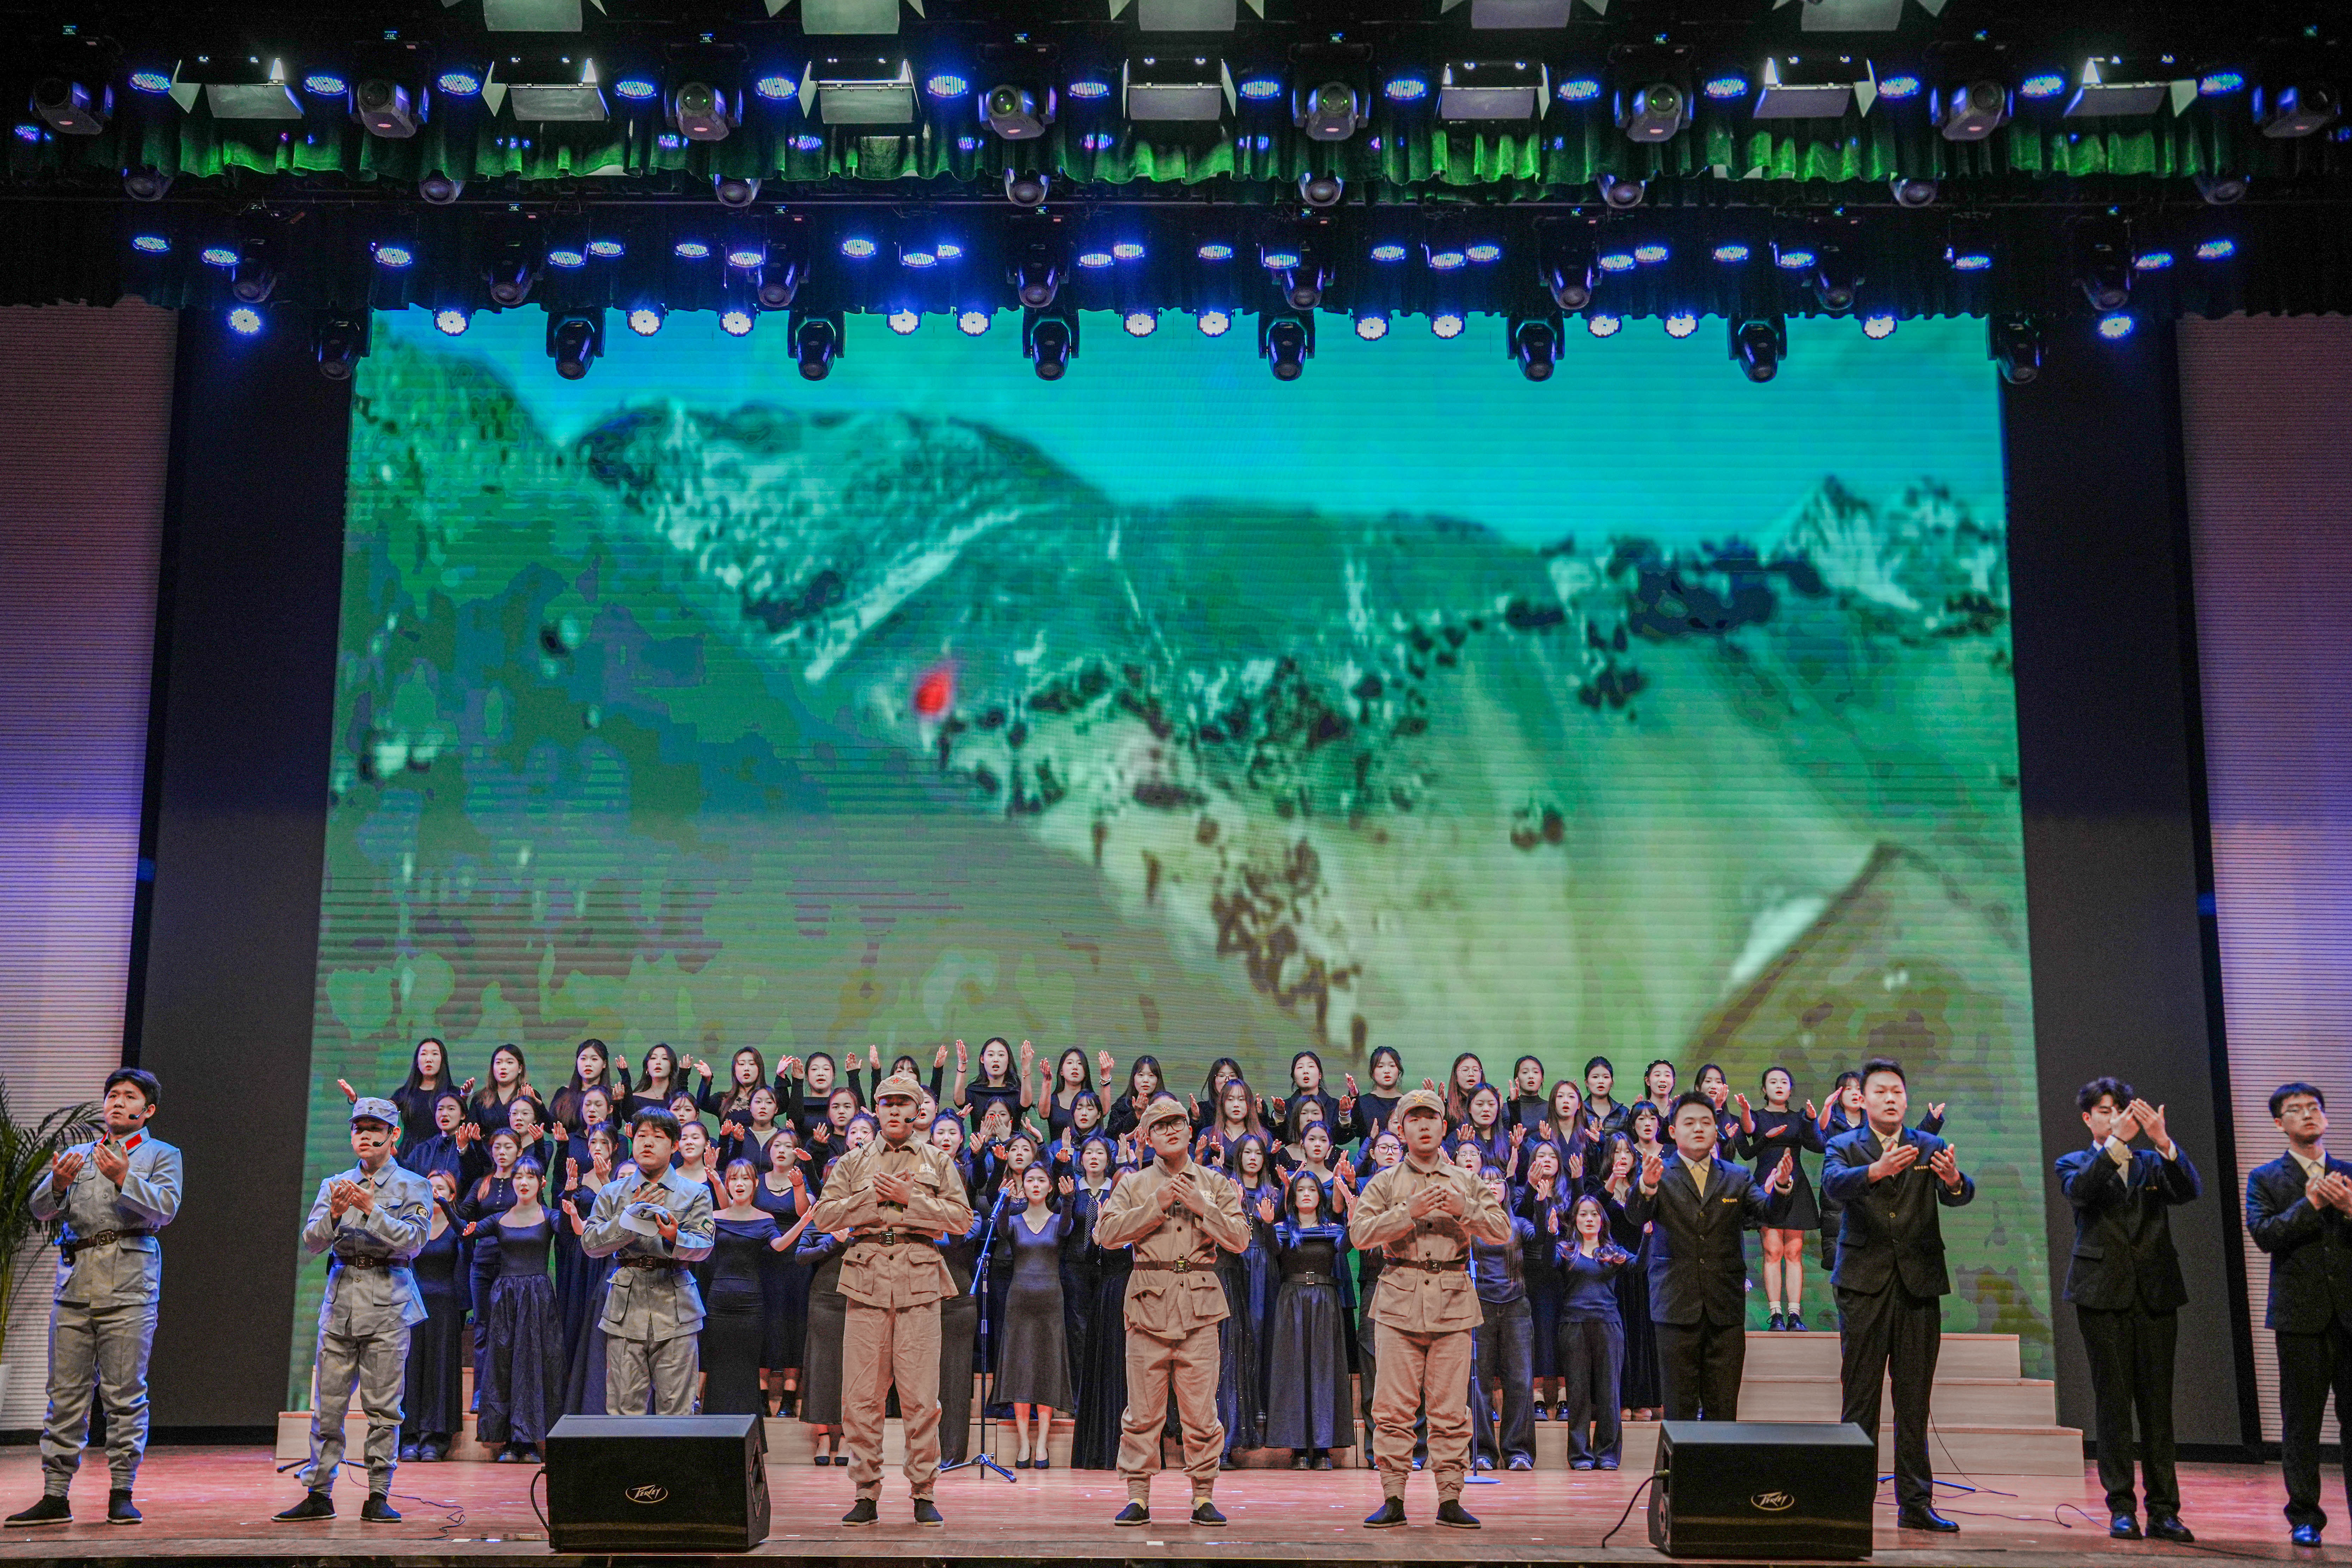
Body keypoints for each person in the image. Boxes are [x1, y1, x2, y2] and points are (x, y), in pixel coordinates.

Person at [6, 1070, 182, 1529]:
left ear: (148, 1110)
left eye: (130, 1096)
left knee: (124, 1395)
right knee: (65, 1395)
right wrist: (57, 1185)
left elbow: (166, 1209)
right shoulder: (80, 1155)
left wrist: (125, 1177)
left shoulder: (162, 1154)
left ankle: (122, 1491)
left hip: (129, 1285)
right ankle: (55, 1494)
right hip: (75, 1285)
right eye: (112, 1095)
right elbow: (39, 1209)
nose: (118, 1102)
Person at [806, 1069, 974, 1527]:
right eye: (888, 1103)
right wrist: (870, 1200)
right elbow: (824, 1216)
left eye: (905, 1103)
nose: (896, 1110)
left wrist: (909, 1199)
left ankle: (923, 1491)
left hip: (919, 1281)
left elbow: (961, 1220)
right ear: (876, 1110)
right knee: (861, 1398)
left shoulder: (937, 1161)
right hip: (866, 1281)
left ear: (918, 1111)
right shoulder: (853, 1162)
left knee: (922, 1399)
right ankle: (866, 1491)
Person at [1348, 1088, 1512, 1531]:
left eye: (1431, 1118)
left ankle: (1450, 1498)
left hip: (1453, 1301)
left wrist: (1464, 1208)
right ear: (1401, 1129)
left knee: (1450, 1411)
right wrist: (1407, 1211)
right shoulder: (1384, 1182)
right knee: (1392, 1410)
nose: (1423, 1126)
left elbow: (1501, 1230)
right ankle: (1393, 1496)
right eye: (1414, 1119)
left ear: (1444, 1127)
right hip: (1398, 1300)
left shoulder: (1464, 1180)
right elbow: (1359, 1234)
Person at [1821, 1056, 1972, 1533]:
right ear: (1862, 1100)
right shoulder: (1843, 1145)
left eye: (1897, 1092)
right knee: (1860, 1398)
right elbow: (1832, 1186)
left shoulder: (1929, 1144)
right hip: (1862, 1285)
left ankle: (1916, 1503)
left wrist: (1953, 1182)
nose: (1890, 1099)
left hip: (1918, 1285)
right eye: (1880, 1091)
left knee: (1913, 1400)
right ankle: (1851, 1503)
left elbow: (1960, 1193)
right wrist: (1876, 1169)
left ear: (1906, 1100)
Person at [1095, 1093, 1251, 1527]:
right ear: (1147, 1137)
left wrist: (1203, 1208)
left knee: (1201, 1413)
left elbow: (1240, 1239)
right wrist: (1155, 1205)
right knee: (1142, 1413)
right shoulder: (1133, 1184)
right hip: (1148, 1303)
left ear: (1189, 1129)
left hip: (1199, 1305)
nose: (1170, 1131)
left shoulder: (1214, 1183)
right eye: (1159, 1126)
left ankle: (1203, 1496)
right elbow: (1106, 1235)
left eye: (1177, 1123)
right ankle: (1138, 1497)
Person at [275, 1098, 433, 1524]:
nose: (364, 1135)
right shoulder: (335, 1184)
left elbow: (414, 1241)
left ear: (393, 1135)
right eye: (358, 1128)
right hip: (341, 1301)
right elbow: (312, 1241)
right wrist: (335, 1214)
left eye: (374, 1128)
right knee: (327, 1408)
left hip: (389, 1302)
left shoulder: (414, 1185)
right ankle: (319, 1493)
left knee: (384, 1409)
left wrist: (370, 1209)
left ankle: (378, 1493)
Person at [2055, 1078, 2198, 1543]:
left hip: (2155, 1293)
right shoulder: (2073, 1162)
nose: (2114, 1116)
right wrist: (2116, 1142)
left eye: (2121, 1109)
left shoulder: (2152, 1162)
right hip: (2100, 1294)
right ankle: (2121, 1507)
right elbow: (2082, 1191)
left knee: (2157, 1405)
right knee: (2112, 1403)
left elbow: (2188, 1191)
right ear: (2087, 1118)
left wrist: (2162, 1140)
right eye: (2104, 1110)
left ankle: (2164, 1510)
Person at [1625, 1093, 1794, 1424]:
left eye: (1706, 1122)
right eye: (1689, 1122)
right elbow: (1635, 1216)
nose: (1699, 1128)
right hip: (1675, 1306)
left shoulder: (1737, 1176)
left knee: (1723, 1410)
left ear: (1717, 1130)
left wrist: (1783, 1186)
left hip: (1725, 1308)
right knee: (1679, 1411)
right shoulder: (1659, 1173)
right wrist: (1646, 1185)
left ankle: (1722, 1463)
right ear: (1672, 1131)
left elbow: (1768, 1213)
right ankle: (1678, 1463)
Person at [2246, 1081, 2352, 1546]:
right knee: (2301, 1423)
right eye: (2295, 1109)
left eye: (2314, 1107)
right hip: (2299, 1318)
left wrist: (2348, 1207)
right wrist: (2310, 1203)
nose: (2307, 1114)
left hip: (2349, 1315)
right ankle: (2305, 1516)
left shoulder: (2349, 1173)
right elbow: (2265, 1235)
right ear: (2279, 1123)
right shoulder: (2265, 1178)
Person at [580, 1109, 716, 1416]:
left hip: (676, 1306)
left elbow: (704, 1246)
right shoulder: (613, 1193)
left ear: (675, 1145)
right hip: (625, 1307)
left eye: (657, 1136)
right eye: (642, 1135)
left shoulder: (695, 1193)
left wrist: (674, 1237)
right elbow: (590, 1244)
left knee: (678, 1410)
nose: (648, 1143)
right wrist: (627, 1219)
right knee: (624, 1407)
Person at [1263, 1171, 1353, 1469]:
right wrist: (1267, 1224)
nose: (1306, 1194)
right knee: (1294, 1372)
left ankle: (1324, 1448)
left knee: (1324, 1371)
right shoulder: (1282, 1229)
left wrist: (1353, 1218)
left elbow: (1346, 1247)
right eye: (1300, 1189)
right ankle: (1299, 1448)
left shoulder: (1332, 1228)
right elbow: (1273, 1250)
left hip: (1325, 1301)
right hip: (1292, 1300)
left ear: (1320, 1196)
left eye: (1312, 1189)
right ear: (1293, 1196)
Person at [477, 1158, 564, 1462]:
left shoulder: (550, 1216)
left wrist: (570, 1192)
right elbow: (466, 1230)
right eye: (518, 1177)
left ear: (542, 1182)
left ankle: (530, 1440)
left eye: (530, 1177)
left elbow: (570, 1233)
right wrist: (444, 1204)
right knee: (504, 1365)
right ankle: (509, 1440)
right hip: (505, 1297)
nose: (523, 1182)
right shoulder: (500, 1218)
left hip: (538, 1297)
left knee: (535, 1365)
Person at [704, 1161, 804, 1415]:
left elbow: (779, 1246)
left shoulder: (765, 1219)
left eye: (746, 1178)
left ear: (755, 1184)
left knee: (748, 1365)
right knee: (719, 1364)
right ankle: (715, 1426)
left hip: (751, 1302)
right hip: (719, 1300)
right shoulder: (714, 1217)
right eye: (734, 1179)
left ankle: (750, 1431)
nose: (740, 1183)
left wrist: (804, 1221)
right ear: (728, 1185)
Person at [997, 1164, 1073, 1468]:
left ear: (1050, 1186)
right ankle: (1024, 1443)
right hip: (1020, 1302)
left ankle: (1042, 1443)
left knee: (1047, 1368)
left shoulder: (1058, 1220)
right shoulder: (1015, 1221)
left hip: (1051, 1302)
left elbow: (1066, 1230)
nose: (1036, 1184)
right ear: (1023, 1186)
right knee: (1020, 1368)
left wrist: (1069, 1200)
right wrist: (1005, 1202)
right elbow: (1001, 1231)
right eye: (1030, 1180)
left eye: (1042, 1180)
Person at [1739, 1066, 1826, 1331]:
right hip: (1766, 1186)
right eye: (1773, 1082)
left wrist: (1813, 1118)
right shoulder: (1756, 1116)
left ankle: (1795, 1315)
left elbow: (1817, 1145)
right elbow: (1749, 1130)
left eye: (1784, 1082)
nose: (1779, 1086)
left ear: (1790, 1089)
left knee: (1794, 1252)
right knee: (1772, 1251)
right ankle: (1776, 1314)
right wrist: (1744, 1110)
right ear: (1764, 1089)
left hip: (1796, 1185)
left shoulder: (1799, 1117)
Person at [1556, 1192, 1633, 1469]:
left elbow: (1641, 1266)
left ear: (1602, 1220)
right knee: (1578, 1392)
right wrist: (1548, 1233)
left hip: (1608, 1324)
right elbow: (1545, 1264)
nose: (1589, 1219)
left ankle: (1608, 1454)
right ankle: (1581, 1455)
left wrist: (1649, 1236)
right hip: (1574, 1324)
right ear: (1575, 1220)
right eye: (1583, 1214)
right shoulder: (1565, 1250)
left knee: (1609, 1391)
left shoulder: (1613, 1252)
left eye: (1594, 1214)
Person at [1467, 1164, 1536, 1471]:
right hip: (1479, 1306)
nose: (1492, 1185)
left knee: (1520, 1381)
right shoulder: (1469, 1224)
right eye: (1485, 1181)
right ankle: (1482, 1451)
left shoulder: (1519, 1223)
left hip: (1516, 1306)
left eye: (1498, 1181)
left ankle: (1518, 1451)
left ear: (1507, 1189)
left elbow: (1541, 1242)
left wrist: (1545, 1213)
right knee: (1478, 1382)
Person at [399, 1170, 466, 1463]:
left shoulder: (456, 1227)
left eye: (441, 1188)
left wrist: (449, 1211)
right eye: (430, 1187)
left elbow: (467, 1252)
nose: (435, 1192)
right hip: (414, 1305)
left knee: (440, 1370)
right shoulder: (415, 1226)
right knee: (412, 1369)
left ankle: (435, 1438)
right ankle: (410, 1436)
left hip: (445, 1307)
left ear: (452, 1195)